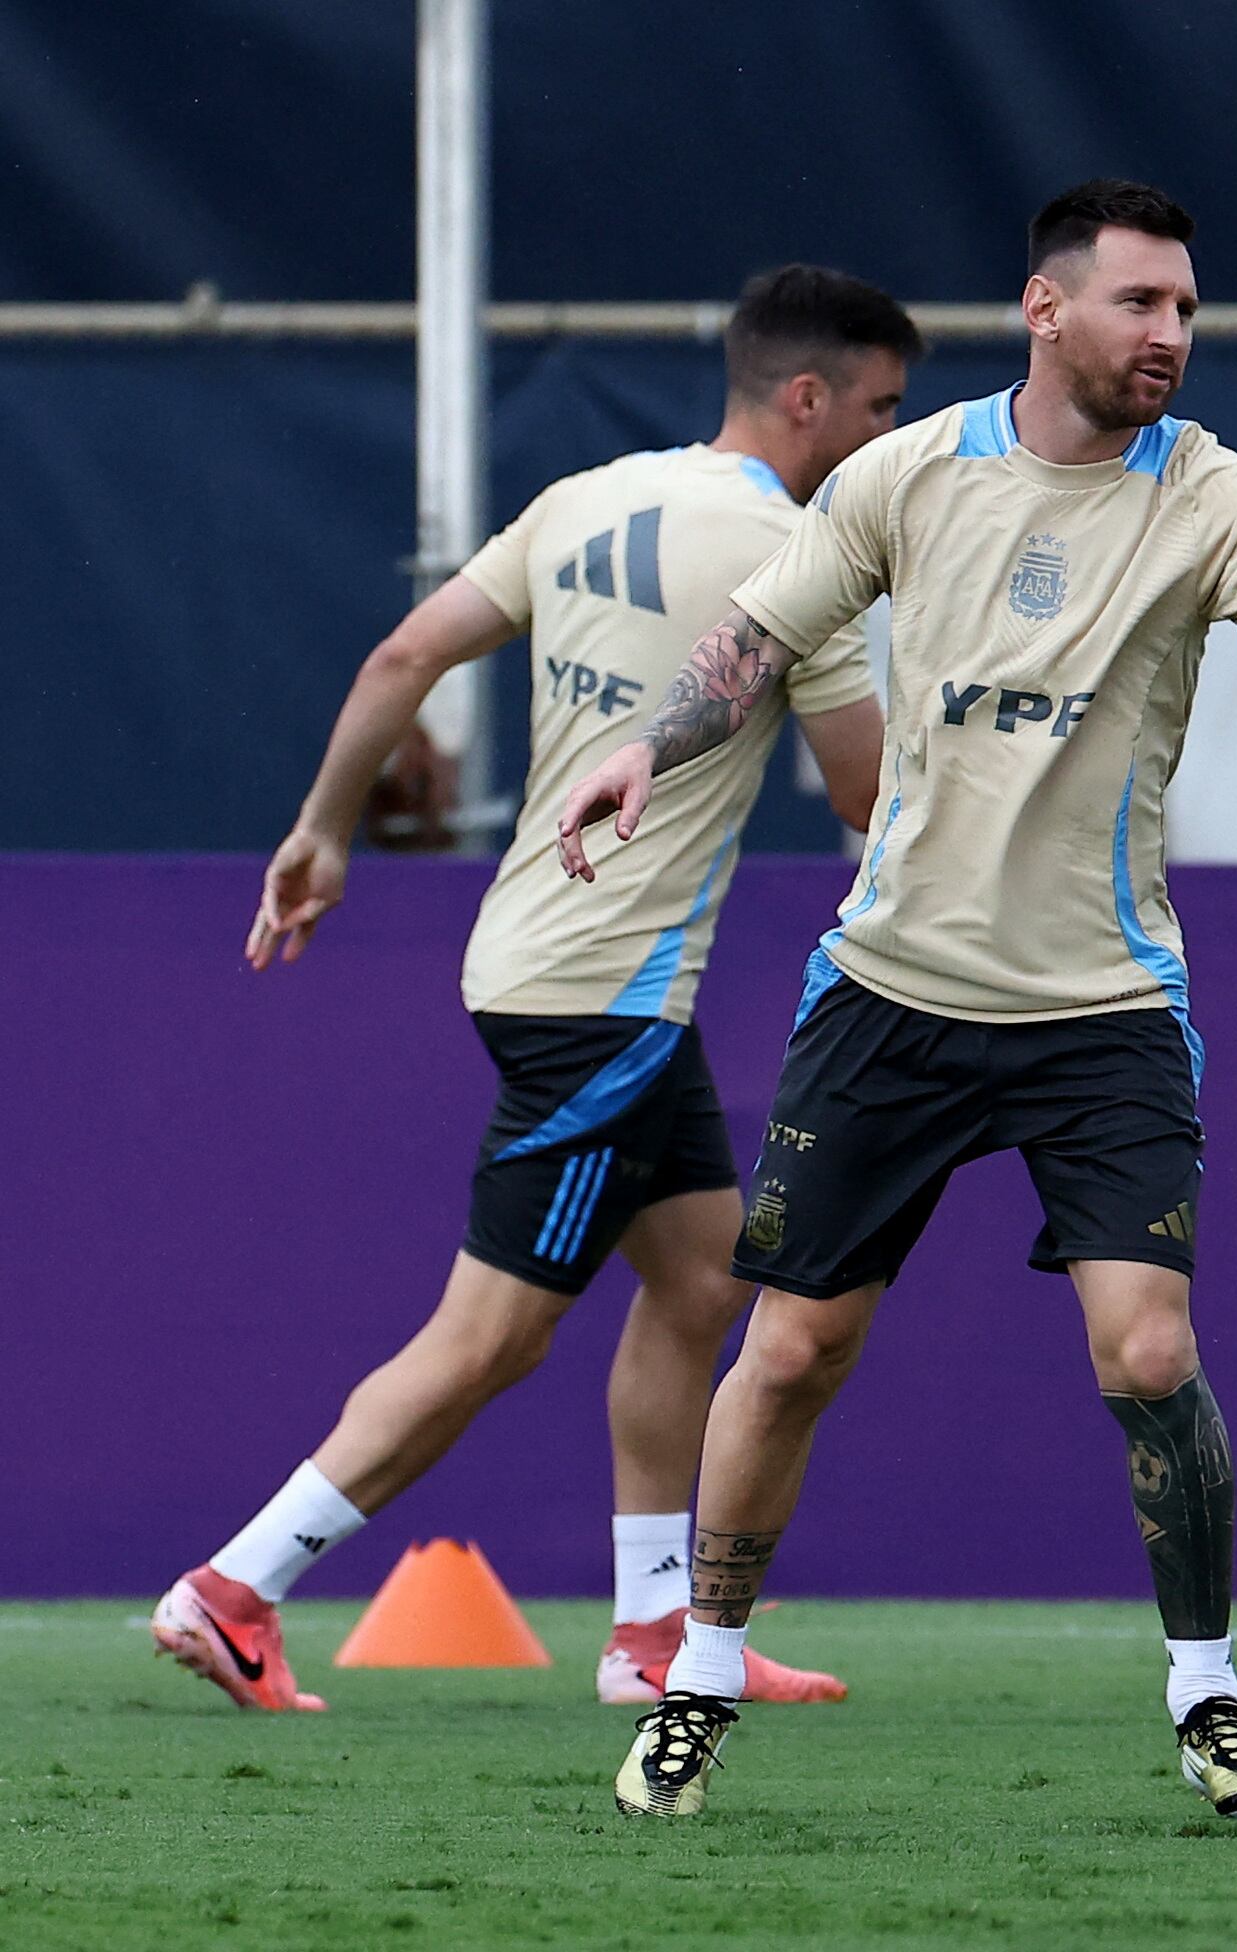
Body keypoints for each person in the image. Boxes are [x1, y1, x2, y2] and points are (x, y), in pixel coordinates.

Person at [568, 181, 1237, 1821]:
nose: (1171, 337)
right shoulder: (907, 473)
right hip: (891, 994)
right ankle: (700, 1680)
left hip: (1104, 1010)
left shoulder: (1215, 492)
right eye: (1141, 304)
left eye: (1187, 312)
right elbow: (751, 642)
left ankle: (1208, 1694)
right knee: (790, 1349)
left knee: (1149, 1356)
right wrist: (638, 751)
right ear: (1046, 307)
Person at [149, 266, 917, 1716]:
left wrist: (321, 827)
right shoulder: (794, 556)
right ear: (808, 398)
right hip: (606, 998)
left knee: (700, 1278)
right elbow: (868, 798)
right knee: (494, 1332)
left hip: (541, 962)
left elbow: (404, 654)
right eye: (880, 408)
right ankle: (235, 1585)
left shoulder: (584, 496)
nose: (888, 436)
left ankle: (650, 1633)